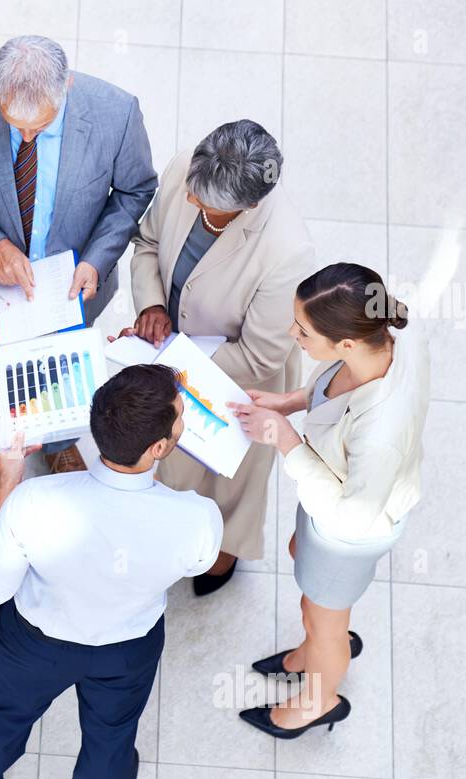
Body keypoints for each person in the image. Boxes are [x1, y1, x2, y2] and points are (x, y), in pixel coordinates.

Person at [0, 365, 223, 779]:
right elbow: (200, 564)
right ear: (159, 448)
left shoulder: (34, 500)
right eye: (181, 418)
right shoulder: (197, 517)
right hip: (128, 648)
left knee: (3, 716)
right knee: (113, 737)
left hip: (32, 644)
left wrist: (9, 480)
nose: (184, 422)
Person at [0, 35, 157, 515]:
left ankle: (56, 442)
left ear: (66, 86)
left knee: (57, 365)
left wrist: (97, 258)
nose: (26, 139)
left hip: (72, 283)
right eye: (13, 125)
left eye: (41, 127)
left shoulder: (117, 113)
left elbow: (134, 191)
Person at [228, 263, 429, 737]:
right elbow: (331, 390)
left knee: (325, 621)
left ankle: (320, 697)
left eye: (302, 330)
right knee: (305, 570)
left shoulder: (381, 430)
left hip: (347, 531)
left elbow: (351, 517)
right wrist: (290, 403)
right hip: (327, 489)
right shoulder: (385, 336)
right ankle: (311, 649)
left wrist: (285, 441)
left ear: (345, 344)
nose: (291, 333)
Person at [124, 119, 314, 596]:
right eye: (191, 191)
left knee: (228, 481)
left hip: (241, 375)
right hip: (170, 348)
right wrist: (150, 304)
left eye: (204, 206)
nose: (190, 202)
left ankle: (222, 551)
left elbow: (260, 355)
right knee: (172, 461)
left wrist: (170, 359)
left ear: (249, 206)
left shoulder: (288, 252)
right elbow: (147, 242)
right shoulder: (187, 167)